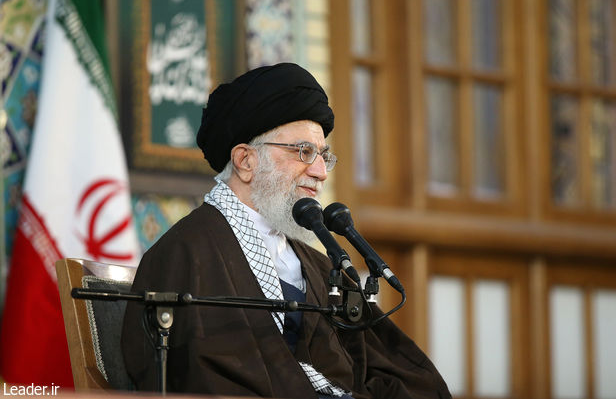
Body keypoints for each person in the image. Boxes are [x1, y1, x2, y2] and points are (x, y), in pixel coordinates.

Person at [121, 63, 451, 399]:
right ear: (245, 161)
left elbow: (388, 366)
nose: (321, 172)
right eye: (304, 152)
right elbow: (196, 377)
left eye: (323, 155)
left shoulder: (320, 265)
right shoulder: (187, 253)